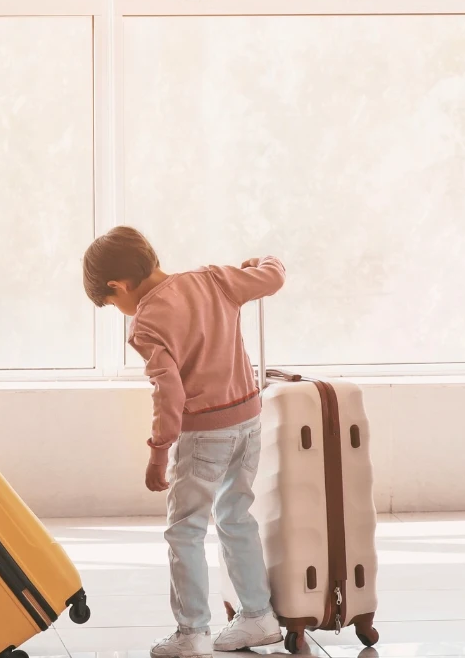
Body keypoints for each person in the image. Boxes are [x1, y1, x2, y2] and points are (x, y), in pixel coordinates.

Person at [84, 226, 286, 658]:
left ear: (118, 286)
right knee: (236, 516)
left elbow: (170, 395)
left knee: (185, 530)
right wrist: (262, 261)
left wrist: (158, 453)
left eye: (112, 303)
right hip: (249, 421)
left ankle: (192, 632)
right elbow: (273, 277)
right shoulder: (214, 278)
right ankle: (258, 617)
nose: (119, 310)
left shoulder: (146, 324)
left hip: (204, 434)